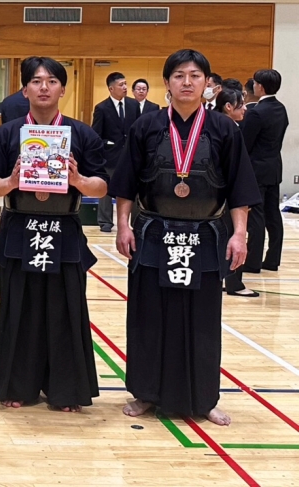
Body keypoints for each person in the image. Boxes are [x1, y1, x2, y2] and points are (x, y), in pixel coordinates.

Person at [110, 49, 260, 426]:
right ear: (167, 83)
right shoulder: (146, 126)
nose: (187, 82)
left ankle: (203, 398)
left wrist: (239, 234)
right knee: (148, 316)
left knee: (202, 320)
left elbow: (240, 187)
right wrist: (123, 225)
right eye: (179, 75)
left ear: (207, 83)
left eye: (195, 76)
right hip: (154, 234)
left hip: (205, 235)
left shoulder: (224, 129)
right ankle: (146, 392)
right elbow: (126, 183)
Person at [0, 57, 108, 412]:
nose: (44, 87)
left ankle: (64, 390)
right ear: (24, 90)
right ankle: (17, 386)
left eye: (52, 81)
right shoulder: (7, 133)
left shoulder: (81, 133)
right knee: (18, 308)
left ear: (62, 89)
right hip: (19, 227)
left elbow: (102, 187)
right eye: (36, 81)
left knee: (65, 309)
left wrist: (79, 180)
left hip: (63, 227)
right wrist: (11, 181)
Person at [243, 69, 289, 273]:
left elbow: (246, 143)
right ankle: (272, 259)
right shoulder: (281, 108)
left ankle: (252, 262)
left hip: (257, 169)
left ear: (260, 86)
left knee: (256, 216)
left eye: (255, 83)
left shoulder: (256, 112)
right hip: (274, 167)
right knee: (273, 214)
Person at [213, 88, 257, 297]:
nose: (245, 109)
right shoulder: (229, 128)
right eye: (241, 105)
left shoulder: (221, 125)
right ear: (229, 107)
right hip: (226, 192)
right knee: (233, 234)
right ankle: (233, 282)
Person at [91, 72, 139, 232]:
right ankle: (105, 222)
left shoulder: (133, 105)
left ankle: (135, 222)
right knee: (106, 190)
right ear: (111, 88)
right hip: (110, 156)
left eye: (125, 84)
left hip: (130, 155)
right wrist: (106, 145)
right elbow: (96, 135)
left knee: (133, 188)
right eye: (121, 85)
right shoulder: (102, 108)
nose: (125, 87)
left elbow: (138, 129)